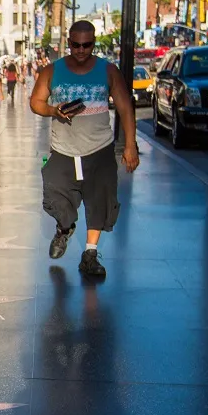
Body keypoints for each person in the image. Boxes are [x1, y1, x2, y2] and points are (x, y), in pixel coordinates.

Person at [30, 21, 139, 277]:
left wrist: (130, 145)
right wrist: (53, 110)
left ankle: (90, 255)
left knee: (99, 201)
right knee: (56, 196)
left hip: (99, 150)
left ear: (94, 43)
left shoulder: (108, 70)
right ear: (69, 42)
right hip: (63, 150)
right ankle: (64, 228)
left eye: (86, 45)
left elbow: (125, 107)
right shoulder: (52, 70)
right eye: (76, 45)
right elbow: (36, 102)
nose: (81, 50)